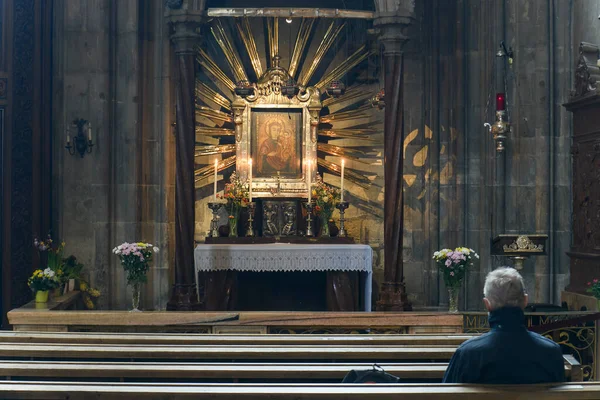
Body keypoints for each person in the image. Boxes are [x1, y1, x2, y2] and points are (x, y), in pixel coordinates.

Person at [442, 267, 565, 384]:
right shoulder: (550, 352)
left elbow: (447, 394)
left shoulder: (468, 353)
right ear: (525, 301)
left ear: (487, 304)